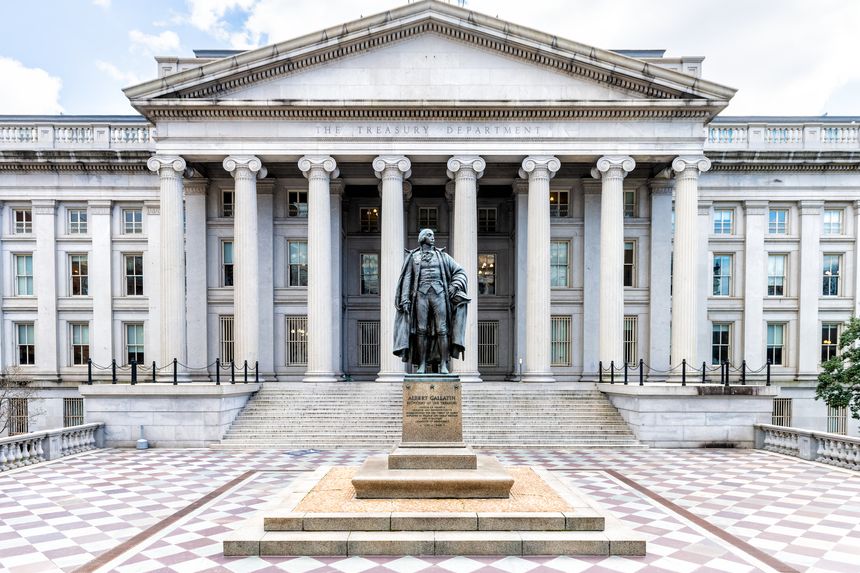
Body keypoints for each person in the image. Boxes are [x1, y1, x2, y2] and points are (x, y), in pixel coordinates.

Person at [393, 228, 469, 374]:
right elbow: (407, 279)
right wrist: (404, 299)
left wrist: (454, 285)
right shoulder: (413, 257)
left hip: (440, 295)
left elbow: (460, 271)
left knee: (443, 330)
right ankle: (421, 364)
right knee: (421, 330)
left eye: (433, 235)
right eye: (429, 235)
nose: (433, 237)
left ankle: (444, 365)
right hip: (420, 296)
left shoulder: (443, 256)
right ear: (422, 238)